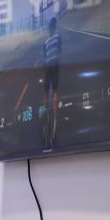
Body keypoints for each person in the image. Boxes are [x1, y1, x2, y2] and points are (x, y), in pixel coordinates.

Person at [42, 15, 62, 150]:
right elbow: (60, 52)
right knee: (55, 90)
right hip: (54, 66)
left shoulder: (46, 41)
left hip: (47, 67)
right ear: (55, 27)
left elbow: (44, 57)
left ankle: (46, 110)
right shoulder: (58, 37)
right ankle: (54, 111)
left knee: (46, 91)